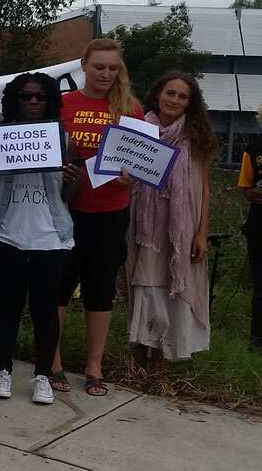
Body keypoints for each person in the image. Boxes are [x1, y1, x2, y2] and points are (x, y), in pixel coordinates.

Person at [0, 73, 81, 405]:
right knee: (7, 305)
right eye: (25, 97)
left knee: (45, 310)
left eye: (40, 97)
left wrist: (72, 177)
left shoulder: (64, 140)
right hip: (7, 234)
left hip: (52, 238)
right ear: (14, 100)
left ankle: (42, 375)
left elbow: (72, 194)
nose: (33, 102)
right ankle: (3, 368)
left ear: (51, 100)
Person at [54, 38, 143, 397]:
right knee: (58, 287)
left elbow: (141, 166)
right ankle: (53, 360)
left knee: (100, 290)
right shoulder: (63, 104)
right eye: (98, 67)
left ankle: (94, 365)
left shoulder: (131, 110)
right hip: (65, 211)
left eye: (112, 68)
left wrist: (132, 175)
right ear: (84, 65)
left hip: (110, 212)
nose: (105, 74)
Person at [126, 72, 217, 364]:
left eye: (182, 96)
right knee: (146, 286)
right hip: (145, 227)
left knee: (174, 290)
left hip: (182, 228)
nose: (174, 100)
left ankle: (163, 359)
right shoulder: (138, 129)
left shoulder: (195, 136)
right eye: (170, 93)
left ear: (190, 103)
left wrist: (201, 233)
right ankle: (141, 353)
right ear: (158, 94)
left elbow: (203, 186)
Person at [237, 114, 262, 352]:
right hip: (258, 225)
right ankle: (256, 339)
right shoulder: (253, 148)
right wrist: (252, 193)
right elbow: (247, 188)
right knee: (260, 285)